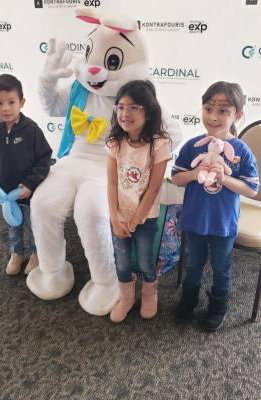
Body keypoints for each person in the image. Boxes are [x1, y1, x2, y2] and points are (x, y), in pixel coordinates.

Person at [172, 81, 259, 331]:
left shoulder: (240, 151)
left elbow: (251, 188)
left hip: (223, 223)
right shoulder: (193, 146)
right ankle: (189, 298)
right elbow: (177, 178)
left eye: (223, 110)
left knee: (222, 267)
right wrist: (194, 172)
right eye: (209, 108)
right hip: (194, 219)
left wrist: (225, 178)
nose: (213, 116)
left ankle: (218, 305)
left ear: (238, 115)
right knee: (193, 262)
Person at [105, 80, 171, 323]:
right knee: (121, 261)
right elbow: (111, 184)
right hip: (119, 217)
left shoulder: (159, 144)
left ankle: (150, 291)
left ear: (149, 110)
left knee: (144, 260)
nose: (125, 113)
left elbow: (153, 190)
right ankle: (127, 297)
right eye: (120, 107)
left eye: (133, 107)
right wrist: (115, 217)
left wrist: (133, 222)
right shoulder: (114, 143)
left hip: (144, 218)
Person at [0, 74, 52, 275]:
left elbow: (45, 159)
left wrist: (29, 184)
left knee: (33, 224)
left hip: (29, 192)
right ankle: (16, 253)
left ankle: (35, 253)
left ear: (22, 102)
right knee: (14, 226)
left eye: (11, 102)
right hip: (5, 195)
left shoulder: (31, 130)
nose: (5, 108)